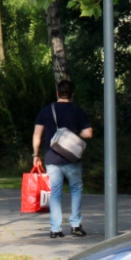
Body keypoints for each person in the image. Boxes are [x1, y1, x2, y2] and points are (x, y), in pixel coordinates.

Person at [32, 80, 93, 238]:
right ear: (72, 95)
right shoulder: (77, 110)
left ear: (58, 93)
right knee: (76, 189)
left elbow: (37, 135)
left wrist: (36, 155)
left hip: (52, 158)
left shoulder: (46, 110)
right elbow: (88, 133)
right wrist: (74, 135)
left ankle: (56, 229)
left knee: (55, 193)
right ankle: (75, 225)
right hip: (72, 159)